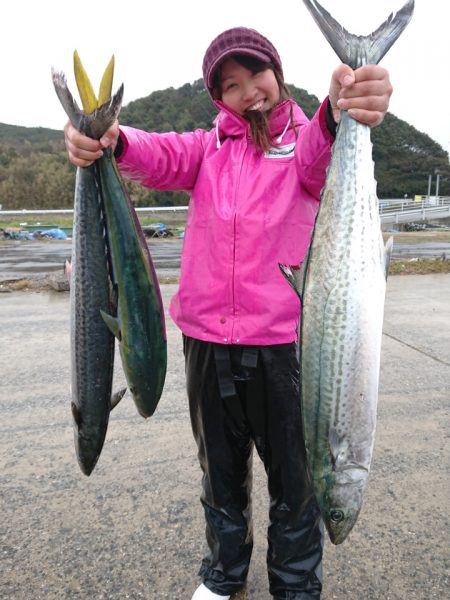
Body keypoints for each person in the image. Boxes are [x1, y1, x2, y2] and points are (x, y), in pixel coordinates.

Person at [64, 27, 392, 600]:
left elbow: (324, 146)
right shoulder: (206, 149)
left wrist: (345, 109)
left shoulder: (303, 145)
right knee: (219, 475)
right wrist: (110, 140)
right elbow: (156, 154)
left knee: (296, 482)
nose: (249, 93)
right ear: (219, 98)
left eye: (256, 76)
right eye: (232, 86)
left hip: (285, 348)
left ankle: (295, 584)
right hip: (207, 346)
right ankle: (224, 573)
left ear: (277, 73)